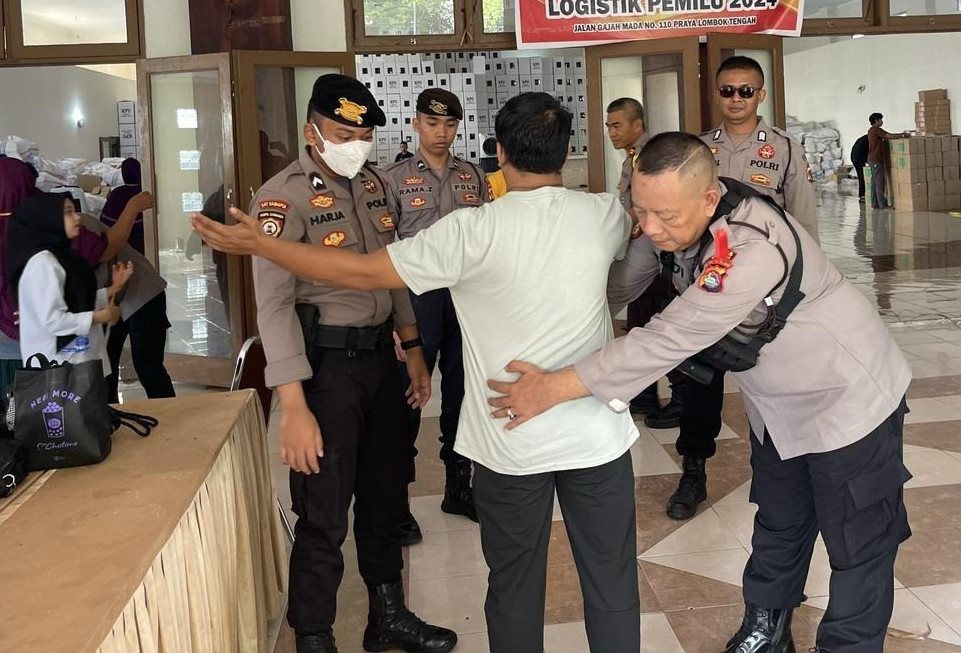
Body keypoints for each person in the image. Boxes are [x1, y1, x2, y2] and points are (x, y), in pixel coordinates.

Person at [193, 91, 642, 653]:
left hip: (510, 439)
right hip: (594, 431)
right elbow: (637, 243)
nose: (359, 147)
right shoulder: (604, 213)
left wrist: (263, 246)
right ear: (566, 149)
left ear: (499, 153)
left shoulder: (469, 230)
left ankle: (388, 612)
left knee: (512, 583)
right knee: (612, 580)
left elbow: (365, 273)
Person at [489, 133, 914, 653]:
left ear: (709, 199)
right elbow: (614, 289)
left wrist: (553, 388)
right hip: (777, 410)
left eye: (664, 216)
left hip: (848, 401)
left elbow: (670, 336)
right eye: (641, 211)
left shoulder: (751, 247)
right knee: (779, 521)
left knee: (859, 541)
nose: (650, 228)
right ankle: (766, 631)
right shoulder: (670, 221)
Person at [237, 74, 453, 653]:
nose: (355, 145)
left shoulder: (375, 184)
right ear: (311, 131)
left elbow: (393, 270)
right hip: (326, 371)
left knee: (385, 495)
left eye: (362, 135)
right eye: (342, 133)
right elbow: (273, 307)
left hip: (382, 361)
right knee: (324, 513)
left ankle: (387, 618)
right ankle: (314, 636)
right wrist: (293, 408)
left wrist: (413, 350)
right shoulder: (281, 198)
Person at [663, 56, 820, 521]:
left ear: (761, 95)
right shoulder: (697, 151)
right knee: (699, 387)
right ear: (716, 95)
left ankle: (778, 473)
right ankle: (693, 472)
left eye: (745, 91)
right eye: (727, 90)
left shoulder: (785, 149)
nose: (736, 99)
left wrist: (806, 290)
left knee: (773, 385)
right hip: (706, 286)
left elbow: (804, 224)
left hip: (764, 295)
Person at [0, 157, 154, 398]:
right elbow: (105, 249)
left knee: (13, 411)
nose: (76, 218)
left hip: (1, 335)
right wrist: (132, 209)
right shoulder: (47, 235)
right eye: (69, 213)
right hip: (54, 346)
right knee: (59, 408)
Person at [382, 88, 491, 528]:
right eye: (432, 123)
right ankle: (396, 502)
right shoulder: (392, 179)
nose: (441, 132)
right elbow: (385, 252)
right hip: (418, 299)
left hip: (464, 297)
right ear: (415, 124)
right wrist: (395, 318)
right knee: (408, 396)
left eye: (449, 124)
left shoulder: (473, 176)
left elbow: (486, 238)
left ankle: (458, 487)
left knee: (462, 393)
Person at [606, 96, 680, 429]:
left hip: (660, 255)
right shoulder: (634, 157)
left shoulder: (652, 156)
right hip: (643, 250)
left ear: (638, 124)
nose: (611, 132)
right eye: (608, 126)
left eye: (617, 125)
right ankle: (644, 394)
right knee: (641, 323)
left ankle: (681, 399)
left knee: (667, 326)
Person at [7, 193, 132, 371]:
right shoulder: (43, 264)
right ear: (49, 220)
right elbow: (52, 320)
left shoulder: (62, 257)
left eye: (74, 211)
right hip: (59, 366)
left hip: (76, 362)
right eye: (68, 212)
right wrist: (101, 317)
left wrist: (113, 288)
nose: (77, 217)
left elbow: (73, 300)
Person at [81, 213, 176, 400]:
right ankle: (110, 414)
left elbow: (104, 258)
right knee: (106, 367)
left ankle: (168, 413)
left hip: (143, 293)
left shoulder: (84, 225)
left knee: (147, 364)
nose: (72, 218)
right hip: (109, 300)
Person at [100, 157, 146, 254]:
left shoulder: (116, 194)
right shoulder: (144, 192)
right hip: (145, 242)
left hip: (121, 245)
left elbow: (105, 223)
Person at [866, 113, 910, 210]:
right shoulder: (876, 129)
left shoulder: (870, 130)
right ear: (876, 120)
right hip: (876, 159)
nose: (882, 121)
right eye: (881, 119)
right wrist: (902, 135)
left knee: (874, 182)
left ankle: (875, 204)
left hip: (872, 159)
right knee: (880, 182)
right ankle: (883, 205)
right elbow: (888, 135)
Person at [849, 133, 870, 204]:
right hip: (858, 158)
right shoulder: (868, 140)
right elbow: (867, 152)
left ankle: (862, 194)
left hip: (854, 157)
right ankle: (862, 195)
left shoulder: (863, 138)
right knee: (862, 176)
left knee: (861, 176)